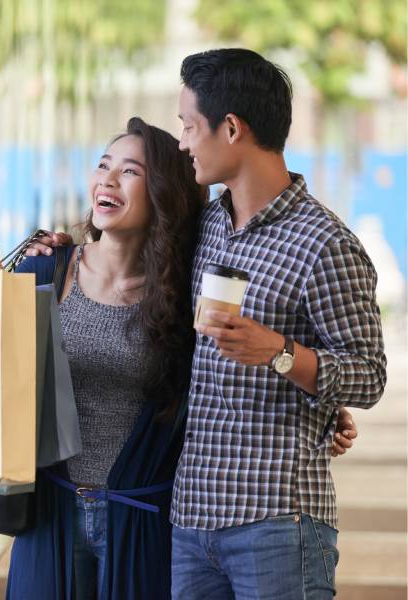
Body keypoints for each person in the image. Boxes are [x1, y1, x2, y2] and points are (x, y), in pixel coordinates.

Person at [0, 117, 204, 598]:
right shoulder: (48, 267)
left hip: (142, 523)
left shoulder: (181, 296)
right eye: (103, 165)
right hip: (50, 513)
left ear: (164, 193)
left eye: (130, 172)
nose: (107, 180)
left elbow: (223, 377)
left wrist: (319, 405)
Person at [168, 48, 386, 599]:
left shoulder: (326, 244)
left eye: (189, 126)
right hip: (193, 518)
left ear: (232, 128)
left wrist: (280, 352)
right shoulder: (206, 223)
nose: (183, 142)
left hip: (278, 522)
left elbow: (369, 376)